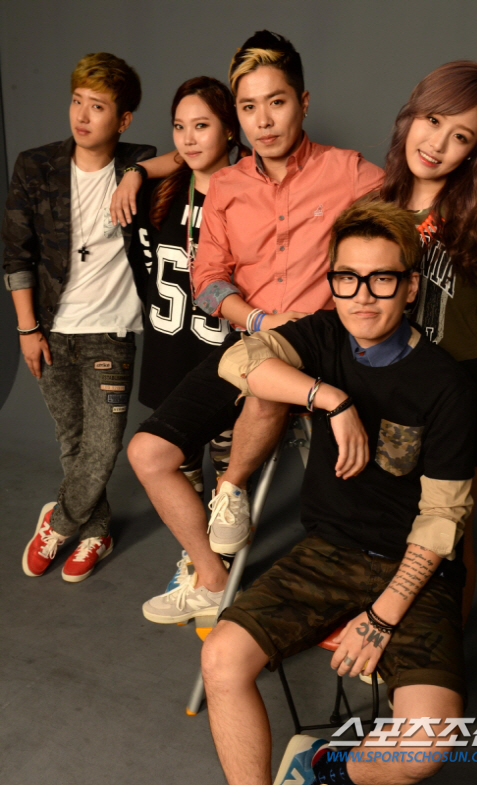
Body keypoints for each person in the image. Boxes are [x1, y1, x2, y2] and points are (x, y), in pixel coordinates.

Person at [119, 31, 477, 624]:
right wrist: (257, 316)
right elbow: (206, 279)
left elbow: (424, 189)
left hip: (328, 352)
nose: (263, 121)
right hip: (252, 341)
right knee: (149, 451)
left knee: (309, 432)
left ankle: (235, 490)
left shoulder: (351, 173)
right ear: (237, 117)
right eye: (248, 107)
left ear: (303, 102)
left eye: (276, 102)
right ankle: (210, 574)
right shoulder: (225, 185)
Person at [202, 197, 476, 785]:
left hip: (417, 570)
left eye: (382, 279)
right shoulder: (323, 335)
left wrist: (383, 615)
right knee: (220, 659)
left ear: (410, 286)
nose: (362, 296)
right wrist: (331, 398)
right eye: (347, 278)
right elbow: (239, 360)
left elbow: (442, 519)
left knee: (423, 749)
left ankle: (327, 767)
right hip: (328, 552)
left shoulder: (445, 382)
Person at [379, 60, 477, 617]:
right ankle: (383, 626)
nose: (437, 144)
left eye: (461, 136)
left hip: (454, 399)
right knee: (389, 519)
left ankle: (449, 645)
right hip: (386, 390)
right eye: (433, 120)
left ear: (476, 151)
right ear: (411, 115)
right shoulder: (375, 203)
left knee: (450, 534)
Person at [2, 53, 156, 582]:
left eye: (98, 106)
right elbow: (16, 254)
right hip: (50, 329)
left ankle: (59, 523)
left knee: (104, 445)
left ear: (124, 119)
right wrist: (27, 329)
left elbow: (187, 156)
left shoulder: (140, 160)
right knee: (72, 442)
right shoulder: (36, 165)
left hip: (110, 332)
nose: (82, 115)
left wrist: (135, 174)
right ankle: (97, 530)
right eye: (76, 101)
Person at [128, 78, 248, 570]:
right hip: (170, 350)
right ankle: (199, 562)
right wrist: (135, 171)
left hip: (222, 356)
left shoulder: (250, 194)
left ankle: (223, 568)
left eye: (202, 125)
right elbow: (145, 274)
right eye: (180, 127)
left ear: (229, 130)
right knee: (179, 466)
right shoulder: (160, 192)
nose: (189, 139)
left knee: (228, 474)